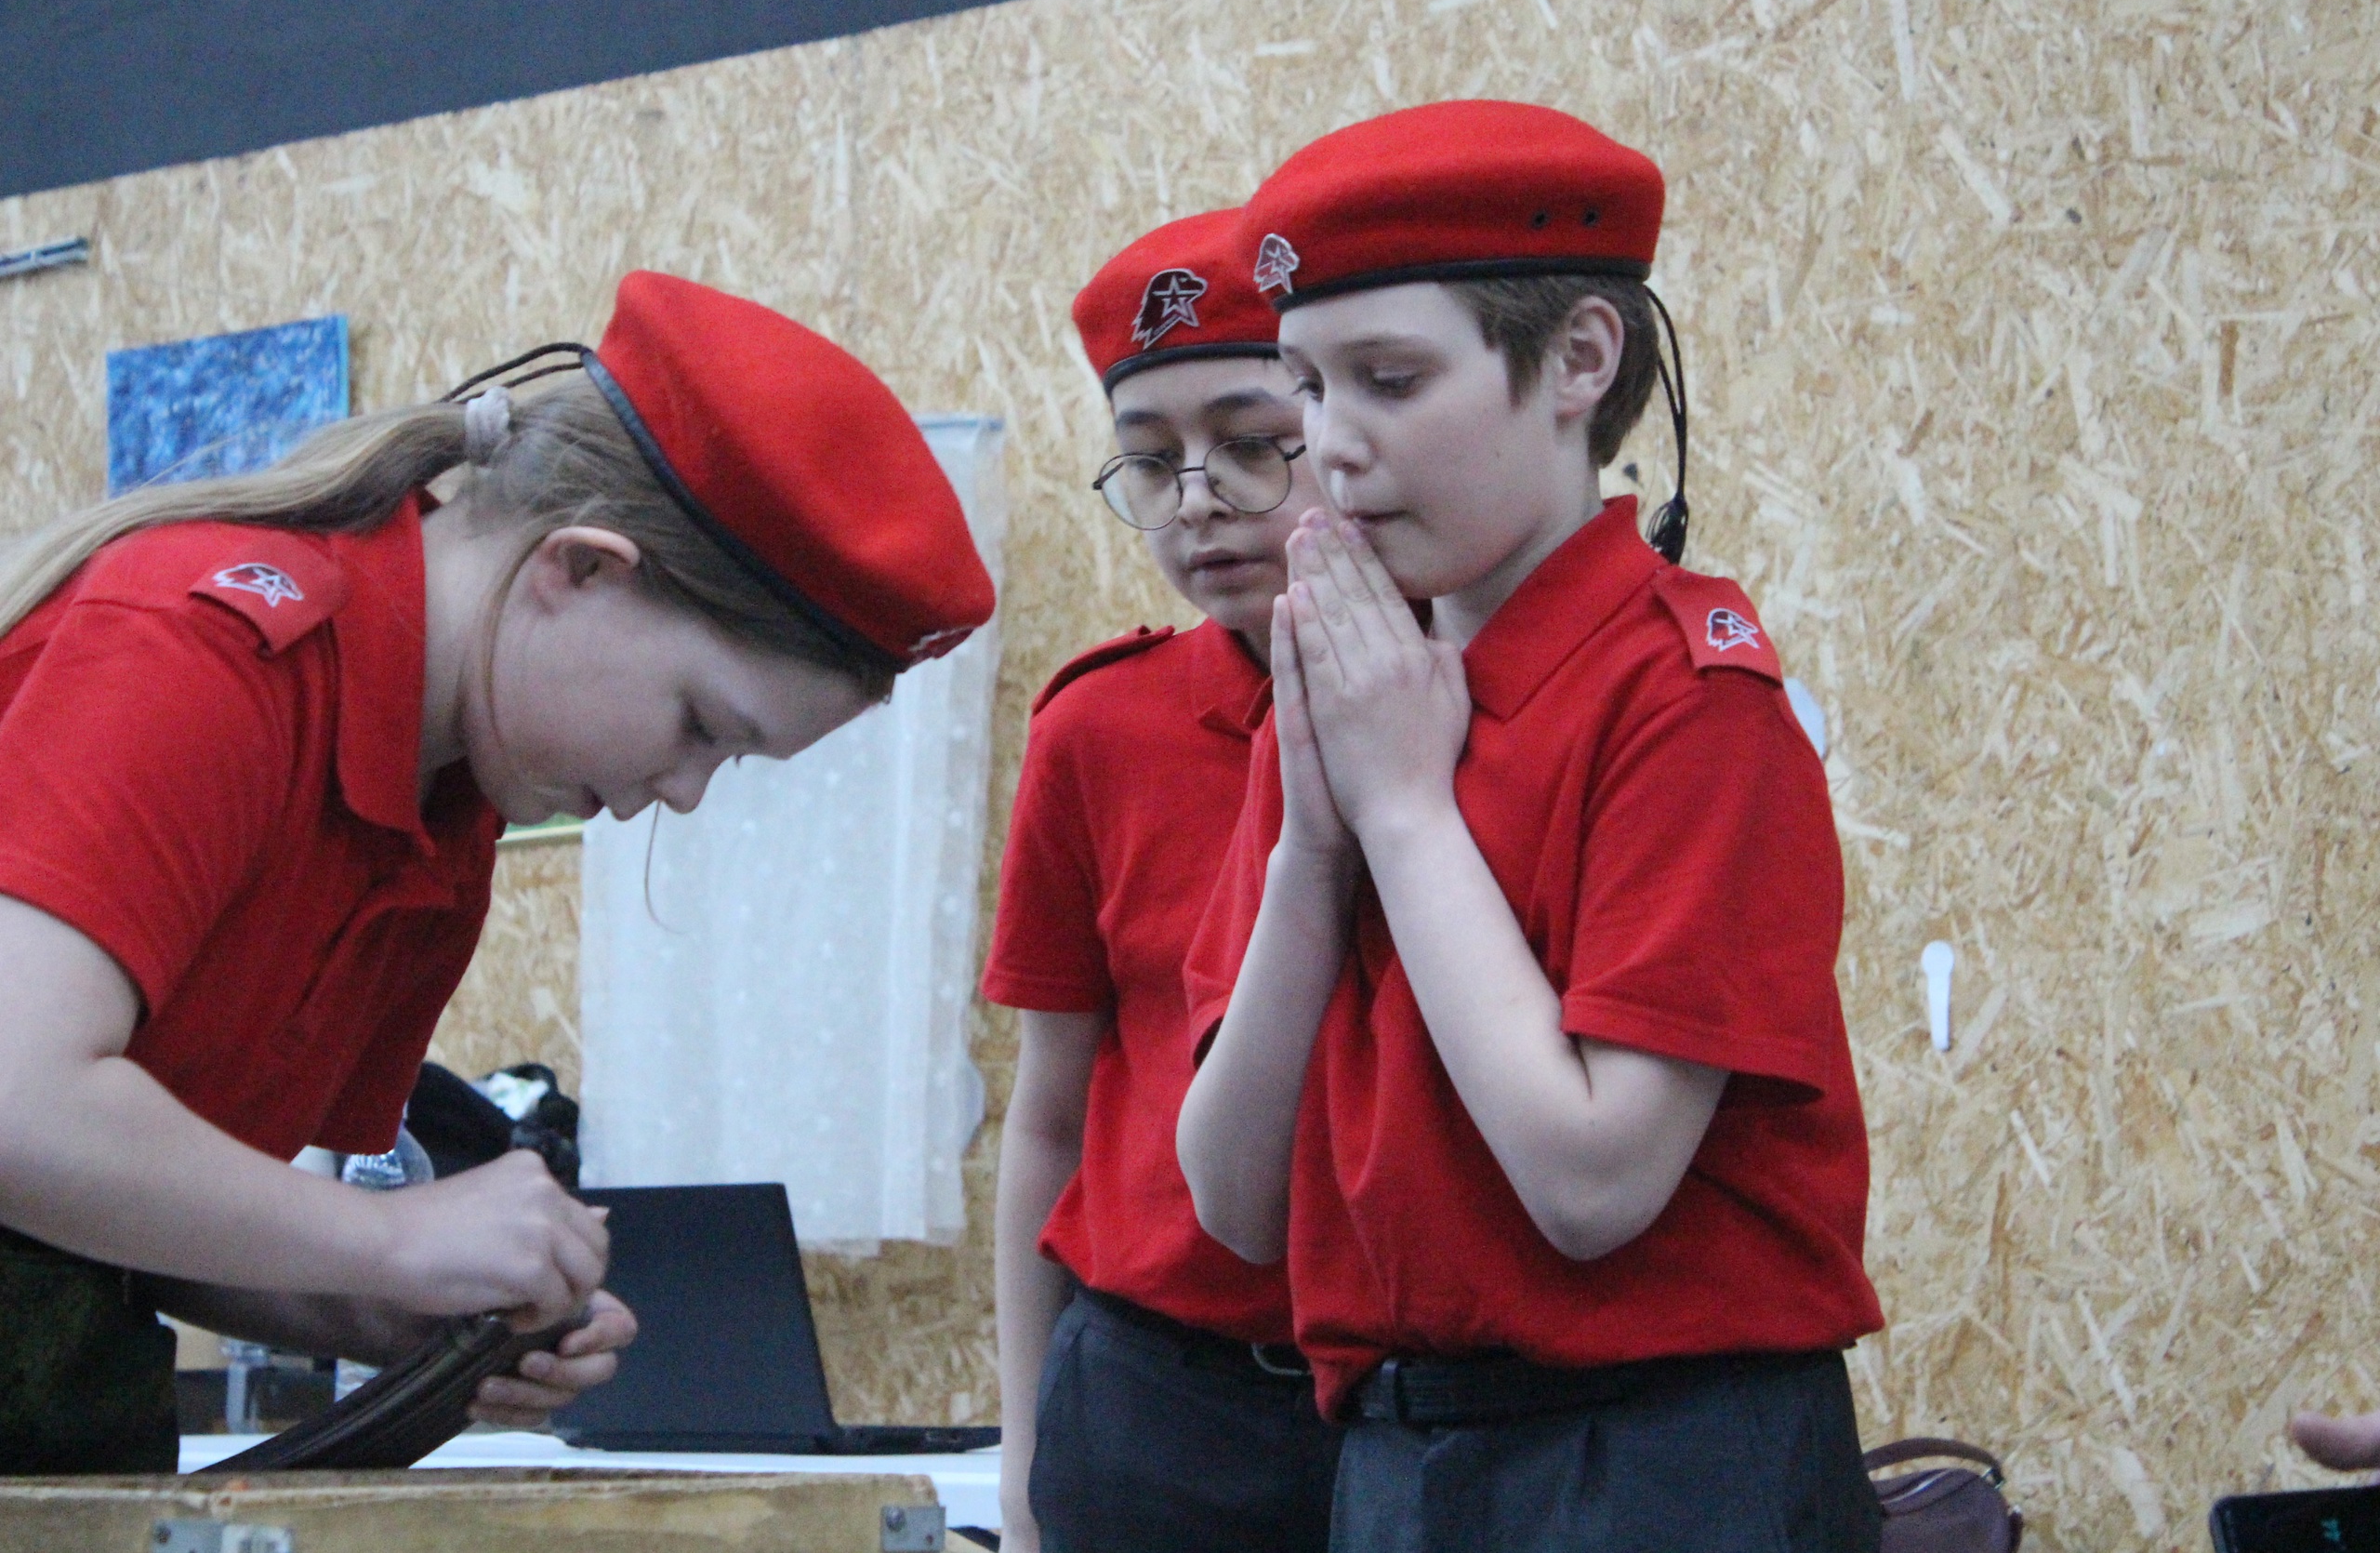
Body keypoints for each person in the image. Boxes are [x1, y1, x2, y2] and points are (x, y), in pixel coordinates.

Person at [0, 271, 995, 1473]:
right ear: (578, 569)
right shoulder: (204, 652)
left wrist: (412, 1319)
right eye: (701, 725)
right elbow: (19, 1104)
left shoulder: (444, 819)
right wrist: (389, 1241)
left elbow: (108, 1217)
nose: (685, 792)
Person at [1173, 101, 1885, 1552]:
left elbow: (1591, 1181)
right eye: (1305, 390)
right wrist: (1314, 851)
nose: (1333, 450)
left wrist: (1402, 812)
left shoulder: (1688, 699)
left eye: (1390, 379)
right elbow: (1234, 1200)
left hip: (1660, 1458)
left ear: (1577, 361)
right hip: (1398, 1456)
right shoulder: (1352, 685)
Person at [985, 211, 1341, 1552]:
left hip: (1422, 1397)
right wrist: (1023, 1470)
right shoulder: (1098, 729)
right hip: (1155, 1403)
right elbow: (1048, 1117)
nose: (1196, 500)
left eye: (1253, 445)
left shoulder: (1470, 705)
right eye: (1148, 462)